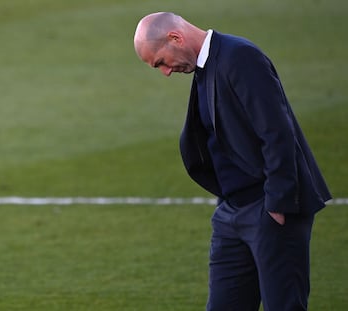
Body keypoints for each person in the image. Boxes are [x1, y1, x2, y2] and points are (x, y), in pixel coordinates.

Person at [133, 12, 331, 311]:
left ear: (175, 38)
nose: (165, 72)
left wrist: (278, 203)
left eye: (160, 61)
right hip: (231, 213)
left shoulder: (240, 57)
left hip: (270, 209)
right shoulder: (205, 67)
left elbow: (277, 131)